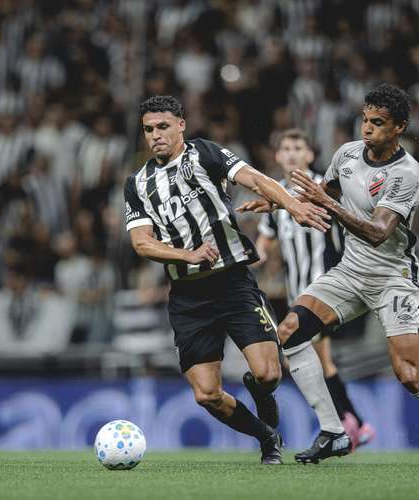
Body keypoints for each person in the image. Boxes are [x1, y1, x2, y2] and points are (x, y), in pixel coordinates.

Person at [238, 84, 419, 466]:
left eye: (379, 122)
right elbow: (322, 190)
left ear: (399, 127)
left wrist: (327, 203)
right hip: (350, 272)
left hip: (392, 278)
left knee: (410, 374)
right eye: (365, 120)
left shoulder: (406, 173)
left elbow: (377, 232)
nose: (368, 128)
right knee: (290, 331)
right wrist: (277, 204)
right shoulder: (347, 154)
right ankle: (333, 431)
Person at [124, 96, 333, 464]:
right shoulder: (137, 184)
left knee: (268, 374)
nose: (155, 135)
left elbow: (255, 178)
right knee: (206, 394)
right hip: (188, 296)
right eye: (148, 129)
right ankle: (267, 437)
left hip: (233, 283)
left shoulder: (205, 154)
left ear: (181, 125)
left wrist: (293, 206)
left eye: (163, 127)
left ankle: (259, 390)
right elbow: (141, 242)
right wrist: (187, 255)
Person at [253, 128, 375, 450]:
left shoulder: (325, 188)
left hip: (325, 287)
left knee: (306, 353)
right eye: (286, 148)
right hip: (298, 292)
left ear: (309, 155)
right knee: (318, 360)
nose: (292, 153)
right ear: (278, 156)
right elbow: (265, 242)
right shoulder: (277, 194)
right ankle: (353, 423)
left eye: (298, 147)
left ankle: (344, 424)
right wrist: (253, 255)